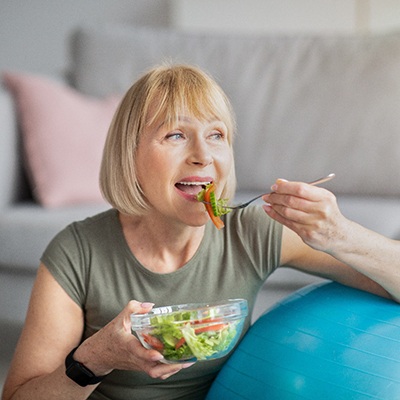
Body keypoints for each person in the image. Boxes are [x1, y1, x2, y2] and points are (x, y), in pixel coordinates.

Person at [2, 63, 400, 400]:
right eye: (176, 135)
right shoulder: (77, 251)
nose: (203, 155)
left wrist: (341, 234)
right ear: (130, 155)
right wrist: (97, 358)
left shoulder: (250, 230)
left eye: (216, 135)